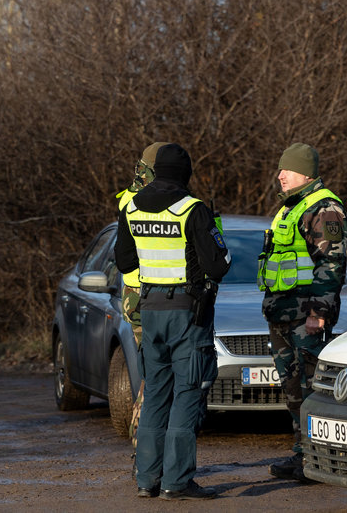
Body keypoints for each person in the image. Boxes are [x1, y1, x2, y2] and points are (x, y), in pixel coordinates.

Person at [115, 143, 231, 500]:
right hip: (187, 314)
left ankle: (146, 480)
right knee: (186, 395)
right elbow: (218, 265)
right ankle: (176, 482)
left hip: (150, 311)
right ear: (185, 173)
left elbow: (123, 261)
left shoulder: (130, 207)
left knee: (155, 398)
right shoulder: (192, 209)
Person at [259, 143, 347, 482]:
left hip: (306, 315)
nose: (280, 175)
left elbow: (332, 264)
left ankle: (319, 459)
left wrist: (319, 313)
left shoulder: (325, 208)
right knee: (293, 389)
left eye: (288, 170)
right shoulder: (290, 208)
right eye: (281, 169)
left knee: (312, 390)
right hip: (281, 314)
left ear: (306, 174)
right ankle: (303, 455)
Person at [116, 142, 165, 451]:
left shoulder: (132, 197)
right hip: (146, 296)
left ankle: (145, 454)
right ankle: (144, 452)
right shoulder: (142, 202)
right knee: (155, 379)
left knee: (153, 375)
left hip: (140, 297)